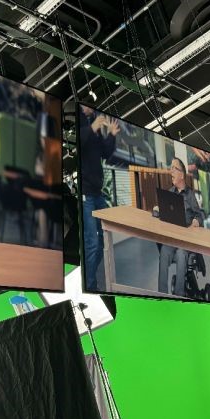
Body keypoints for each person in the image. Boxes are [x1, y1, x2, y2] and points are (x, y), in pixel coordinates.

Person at [79, 105, 120, 292]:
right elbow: (79, 141)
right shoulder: (80, 123)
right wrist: (93, 127)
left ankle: (89, 276)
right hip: (86, 194)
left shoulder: (92, 125)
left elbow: (105, 152)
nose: (91, 107)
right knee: (92, 243)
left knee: (103, 240)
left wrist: (111, 134)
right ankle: (90, 286)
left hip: (97, 193)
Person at [157, 157, 204, 296]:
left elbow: (200, 215)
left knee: (181, 253)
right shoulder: (169, 193)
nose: (170, 171)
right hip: (172, 240)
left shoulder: (190, 195)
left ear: (182, 175)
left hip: (185, 242)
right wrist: (157, 210)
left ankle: (179, 295)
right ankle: (162, 295)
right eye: (170, 168)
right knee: (164, 250)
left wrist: (196, 221)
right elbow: (163, 215)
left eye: (174, 168)